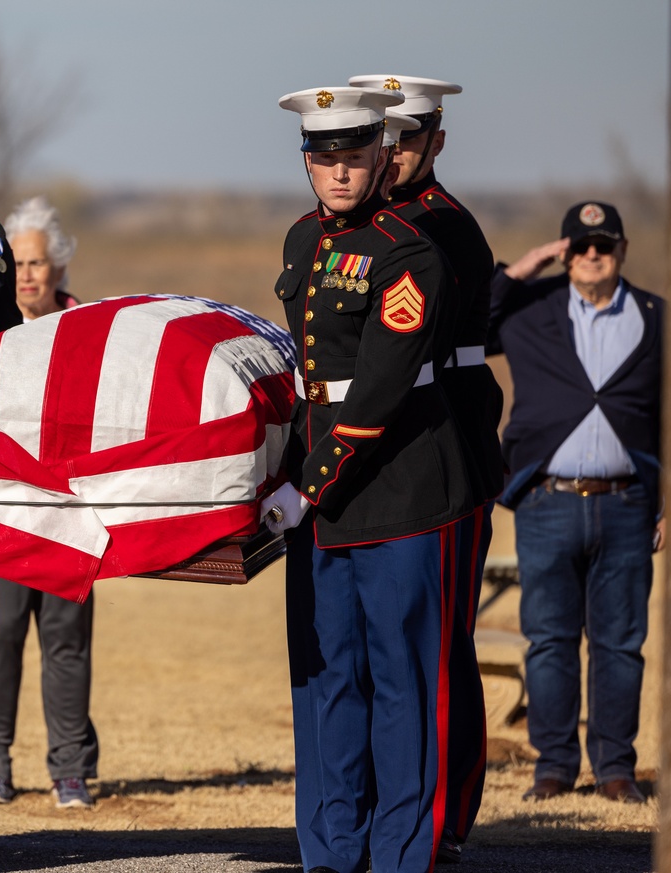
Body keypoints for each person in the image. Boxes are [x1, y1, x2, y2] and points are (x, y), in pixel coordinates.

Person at [262, 85, 472, 873]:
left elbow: (376, 396)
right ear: (307, 163)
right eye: (325, 158)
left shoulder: (411, 250)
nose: (339, 172)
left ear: (382, 157)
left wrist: (305, 486)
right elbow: (308, 378)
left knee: (400, 686)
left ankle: (397, 855)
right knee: (324, 680)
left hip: (397, 491)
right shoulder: (299, 241)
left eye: (355, 156)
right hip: (318, 494)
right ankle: (328, 850)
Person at [351, 73, 500, 863]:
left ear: (435, 142)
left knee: (433, 646)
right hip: (382, 450)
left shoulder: (436, 229)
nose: (395, 152)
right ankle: (390, 806)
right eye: (386, 138)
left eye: (409, 139)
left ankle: (438, 816)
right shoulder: (368, 226)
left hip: (440, 453)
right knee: (384, 652)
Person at [486, 201, 662, 805]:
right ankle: (554, 767)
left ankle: (615, 769)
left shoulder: (655, 318)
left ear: (622, 250)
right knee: (550, 640)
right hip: (546, 502)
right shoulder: (530, 311)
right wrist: (527, 265)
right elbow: (469, 323)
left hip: (630, 505)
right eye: (580, 245)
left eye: (604, 245)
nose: (593, 255)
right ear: (565, 251)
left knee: (620, 643)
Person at [0, 196, 98, 810]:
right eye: (16, 263)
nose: (25, 274)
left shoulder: (88, 329)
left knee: (66, 639)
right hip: (2, 513)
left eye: (36, 262)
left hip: (69, 513)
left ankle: (71, 769)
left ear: (59, 268)